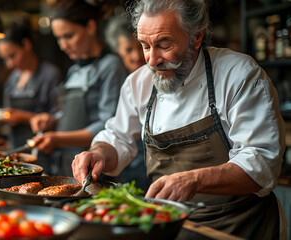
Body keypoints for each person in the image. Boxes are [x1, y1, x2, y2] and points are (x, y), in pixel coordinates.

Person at [71, 0, 286, 239]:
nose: (152, 60)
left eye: (164, 45)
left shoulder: (239, 75)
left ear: (196, 37)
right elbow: (118, 138)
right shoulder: (138, 83)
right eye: (145, 46)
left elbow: (262, 162)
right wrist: (100, 152)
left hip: (240, 225)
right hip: (171, 225)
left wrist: (194, 180)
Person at [30, 0, 128, 176]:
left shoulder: (111, 66)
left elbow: (108, 124)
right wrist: (52, 119)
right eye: (58, 38)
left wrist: (58, 139)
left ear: (90, 27)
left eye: (68, 36)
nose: (62, 45)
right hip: (65, 162)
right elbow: (69, 114)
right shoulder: (74, 70)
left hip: (95, 166)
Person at [0, 17, 62, 154]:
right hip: (15, 149)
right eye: (4, 59)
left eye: (12, 56)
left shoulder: (50, 75)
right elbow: (7, 115)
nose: (9, 64)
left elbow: (59, 119)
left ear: (26, 45)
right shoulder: (12, 79)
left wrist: (24, 117)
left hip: (44, 151)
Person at [104, 14, 149, 190]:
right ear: (117, 51)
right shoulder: (119, 78)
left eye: (141, 47)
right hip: (125, 161)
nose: (137, 55)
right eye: (128, 50)